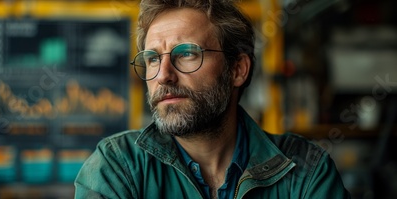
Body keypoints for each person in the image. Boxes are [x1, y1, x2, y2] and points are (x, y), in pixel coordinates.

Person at [75, 0, 350, 198]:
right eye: (153, 59)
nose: (163, 76)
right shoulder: (118, 166)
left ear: (237, 70)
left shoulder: (305, 171)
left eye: (186, 54)